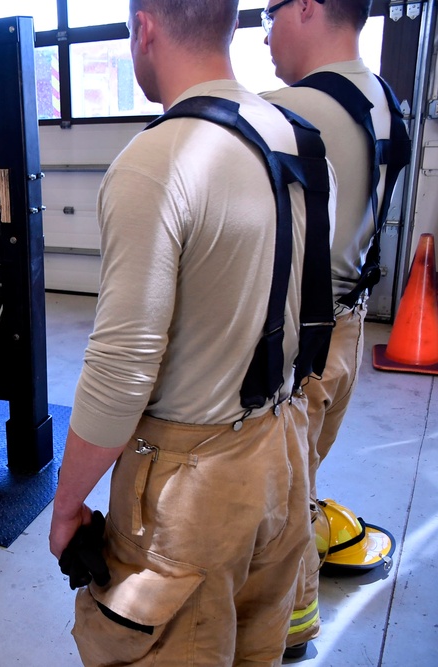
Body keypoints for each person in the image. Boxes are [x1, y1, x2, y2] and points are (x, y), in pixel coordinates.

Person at [48, 0, 335, 664]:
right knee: (255, 645)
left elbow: (121, 370)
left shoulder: (154, 162)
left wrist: (66, 505)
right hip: (283, 453)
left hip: (190, 491)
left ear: (145, 28)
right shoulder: (300, 140)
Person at [260, 0, 410, 657]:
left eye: (269, 14)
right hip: (347, 329)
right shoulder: (385, 102)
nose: (266, 35)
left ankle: (288, 627)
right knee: (303, 476)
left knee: (280, 496)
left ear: (307, 8)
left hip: (299, 345)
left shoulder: (282, 112)